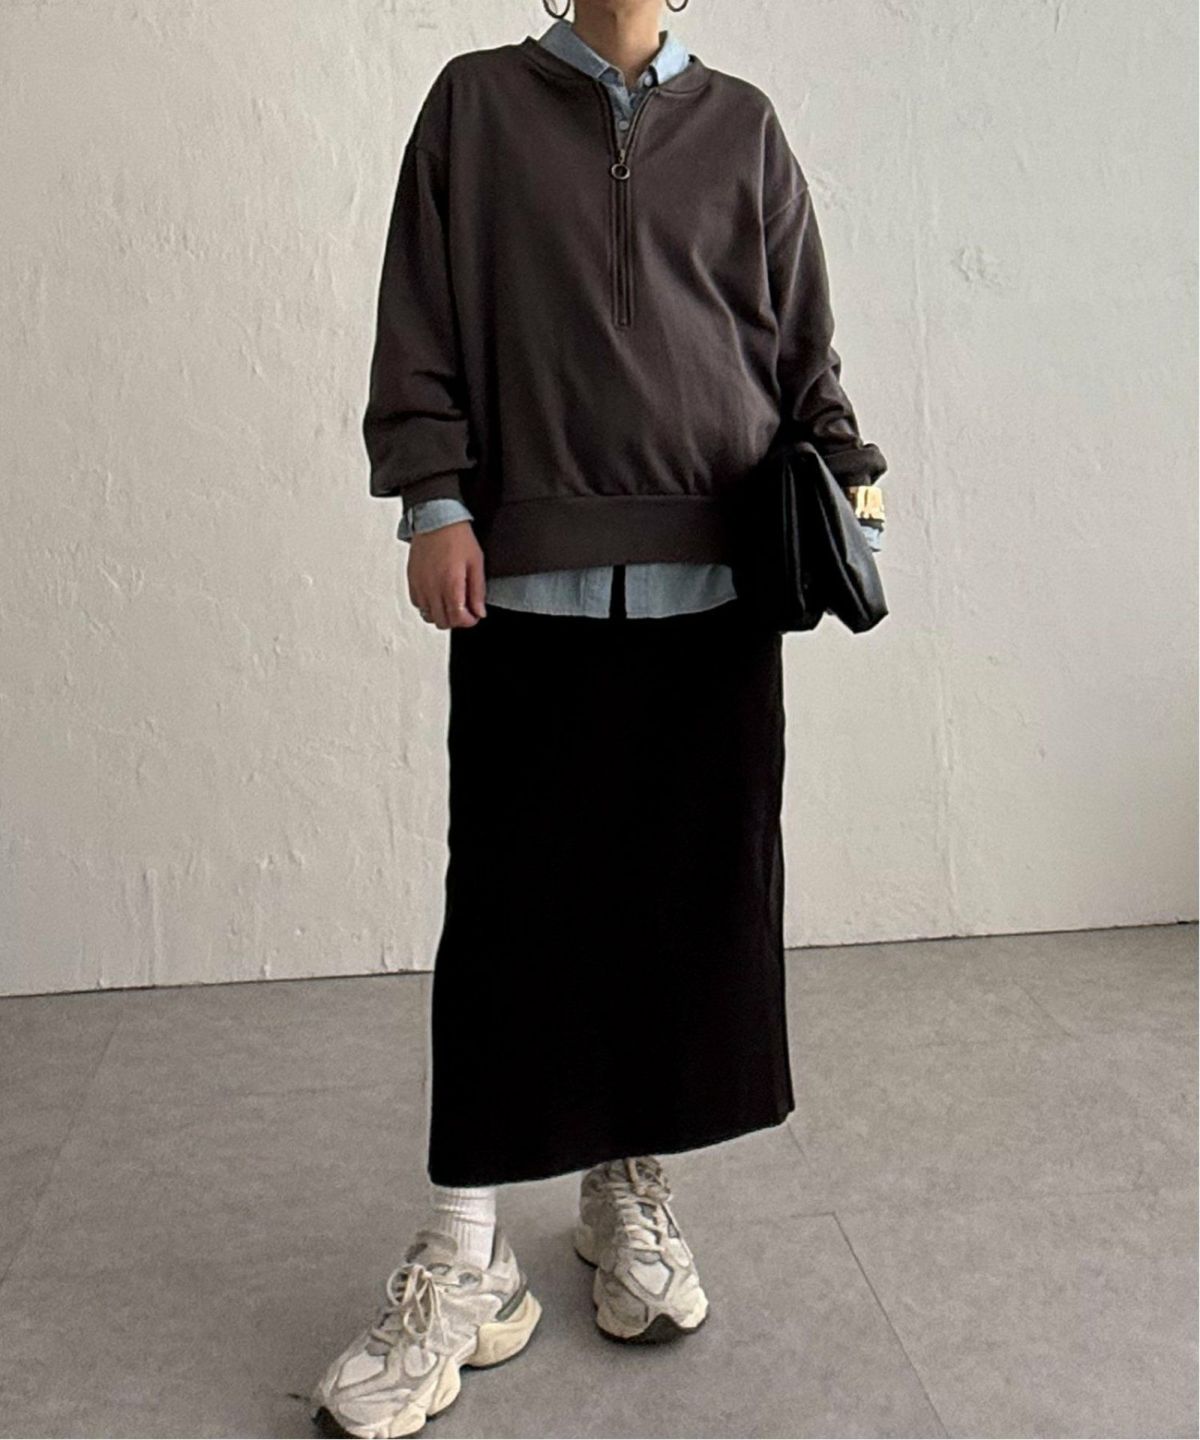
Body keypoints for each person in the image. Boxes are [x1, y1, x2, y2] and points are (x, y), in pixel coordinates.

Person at [311, 2, 888, 1435]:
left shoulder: (744, 126)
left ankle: (626, 1186)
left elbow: (800, 346)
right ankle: (466, 1252)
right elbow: (421, 318)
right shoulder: (473, 108)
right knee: (512, 913)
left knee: (683, 908)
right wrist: (434, 502)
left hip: (720, 587)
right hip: (528, 580)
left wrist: (850, 481)